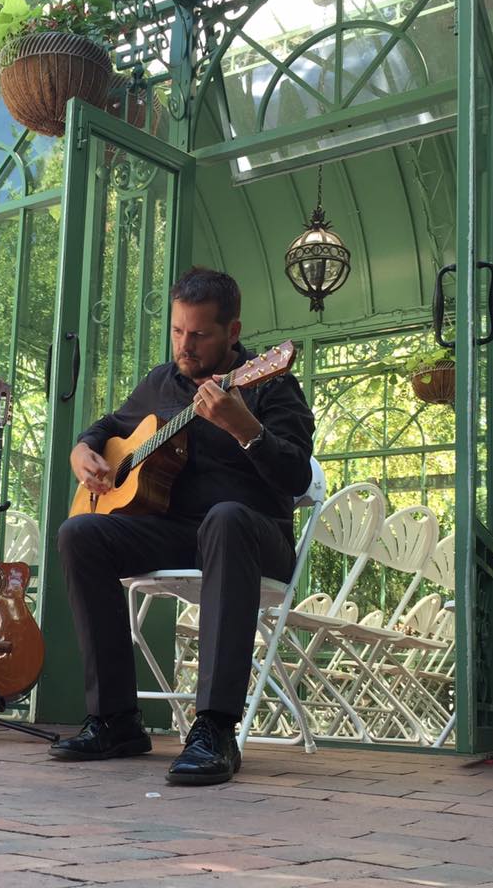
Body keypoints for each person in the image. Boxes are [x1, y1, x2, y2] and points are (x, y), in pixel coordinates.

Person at [50, 267, 315, 785]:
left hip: (252, 535)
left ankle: (215, 729)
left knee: (226, 517)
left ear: (232, 333)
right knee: (79, 533)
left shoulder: (271, 381)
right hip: (176, 535)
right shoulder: (160, 382)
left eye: (199, 335)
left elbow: (296, 473)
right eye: (177, 331)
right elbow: (108, 428)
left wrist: (246, 428)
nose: (184, 346)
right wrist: (82, 451)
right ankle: (116, 720)